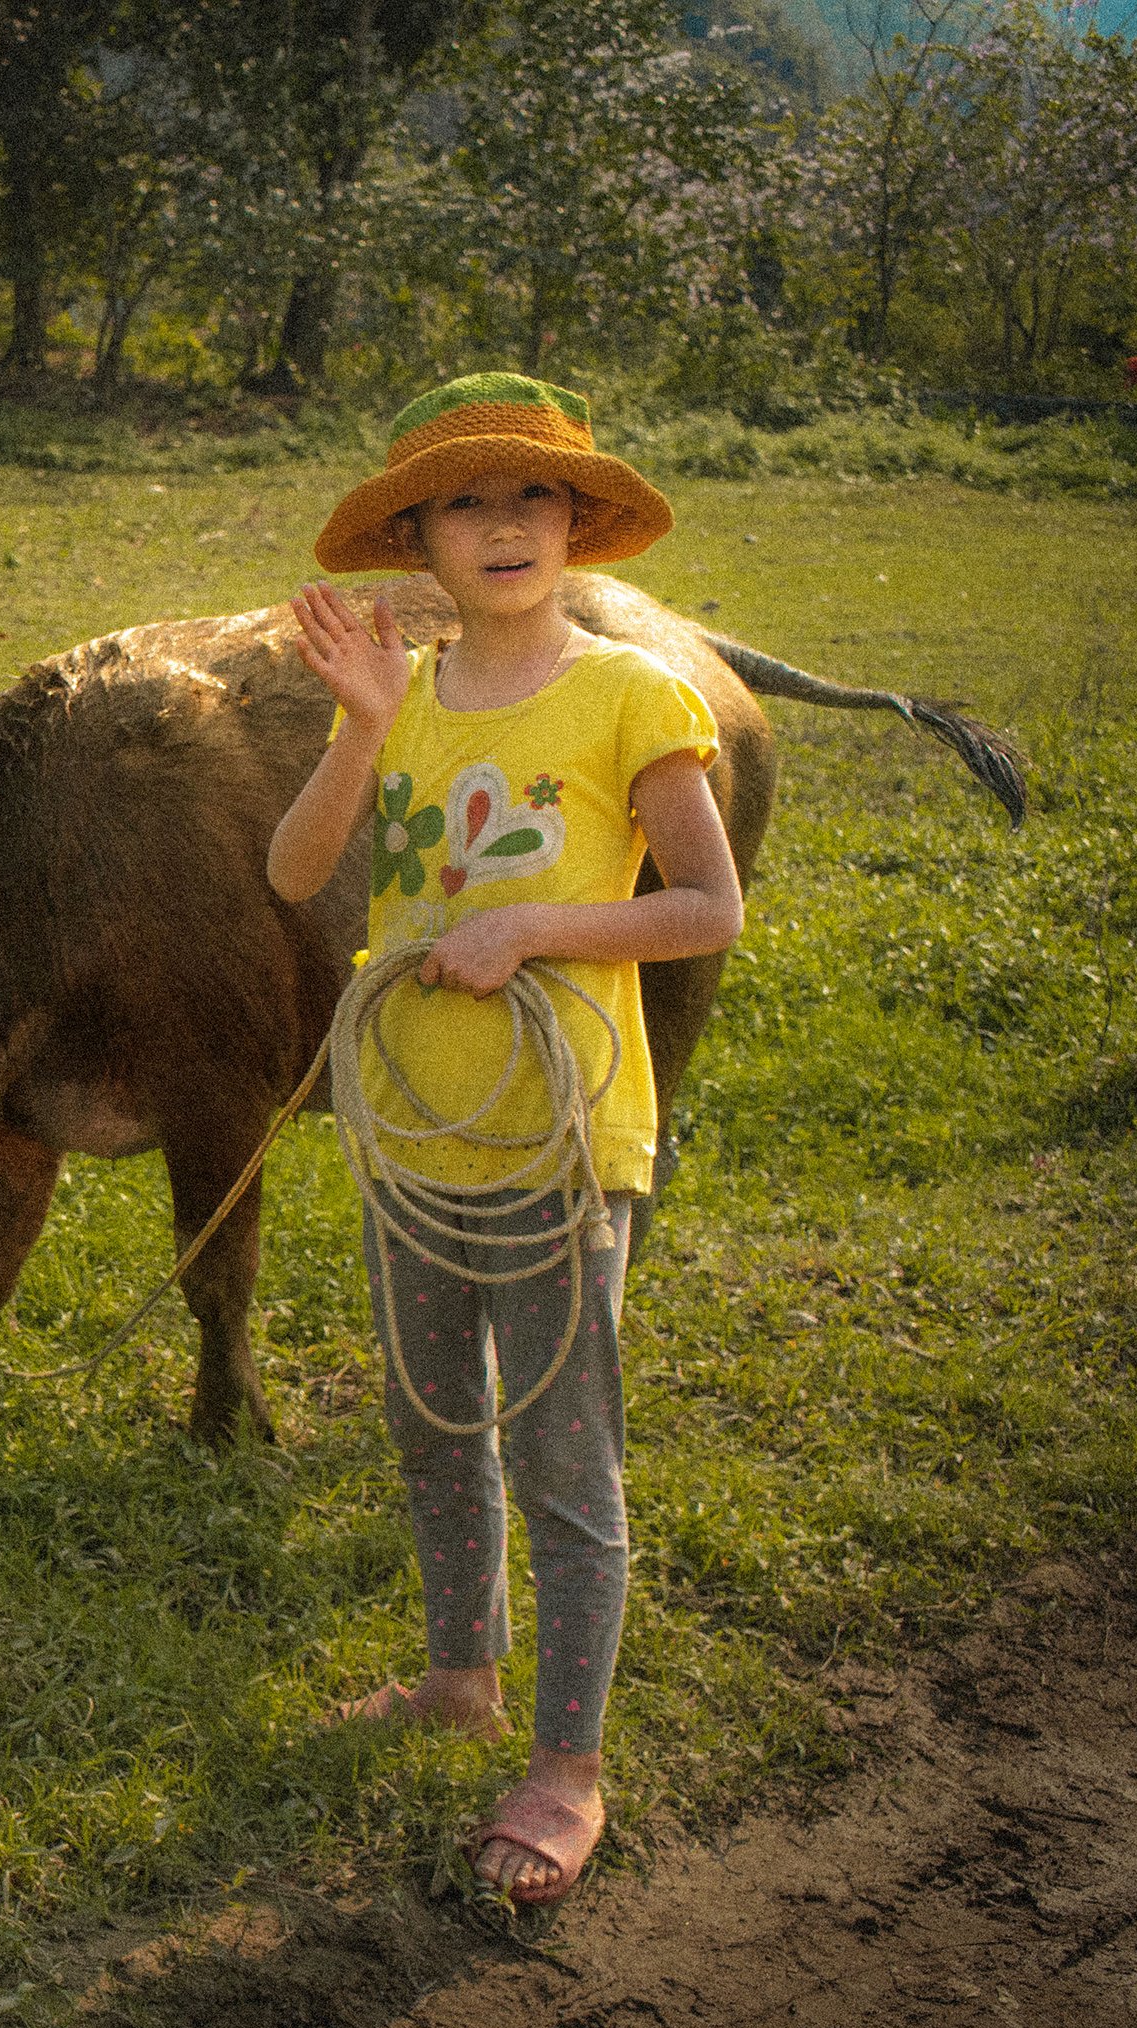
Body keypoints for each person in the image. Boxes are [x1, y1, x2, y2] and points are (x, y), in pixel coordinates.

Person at [267, 372, 746, 1903]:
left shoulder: (631, 697)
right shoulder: (400, 698)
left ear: (576, 522)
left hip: (556, 1134)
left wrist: (536, 924)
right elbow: (298, 871)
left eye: (531, 495)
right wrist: (355, 723)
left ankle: (567, 1763)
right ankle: (461, 1676)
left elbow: (705, 908)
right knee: (428, 1418)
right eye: (466, 500)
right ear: (418, 537)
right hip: (413, 1126)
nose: (503, 524)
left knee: (559, 1448)